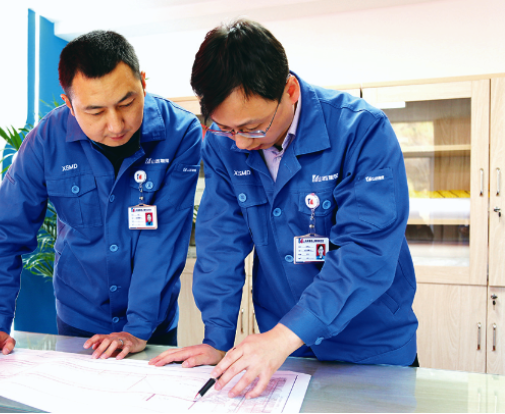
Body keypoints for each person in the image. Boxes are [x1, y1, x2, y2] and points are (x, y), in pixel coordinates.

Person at [150, 19, 418, 399]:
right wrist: (217, 338)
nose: (240, 144)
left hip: (368, 343)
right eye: (226, 128)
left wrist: (283, 336)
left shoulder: (362, 130)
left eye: (253, 127)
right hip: (286, 351)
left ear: (289, 90)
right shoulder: (225, 145)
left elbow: (366, 252)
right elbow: (220, 242)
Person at [0, 31, 202, 362]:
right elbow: (5, 233)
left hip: (151, 327)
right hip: (79, 320)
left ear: (143, 84)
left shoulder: (180, 132)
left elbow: (163, 239)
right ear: (69, 104)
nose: (116, 125)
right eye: (96, 111)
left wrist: (138, 328)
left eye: (127, 103)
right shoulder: (46, 140)